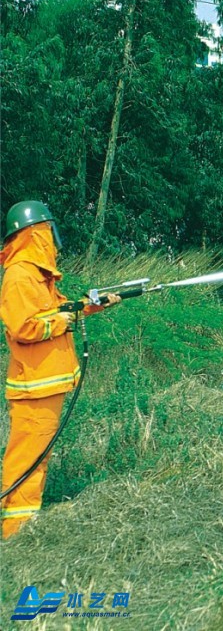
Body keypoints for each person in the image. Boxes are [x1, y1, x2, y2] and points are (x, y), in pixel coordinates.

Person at [0, 201, 120, 539]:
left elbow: (60, 309)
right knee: (27, 460)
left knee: (37, 456)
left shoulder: (38, 276)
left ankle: (24, 521)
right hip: (34, 387)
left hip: (45, 386)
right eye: (48, 232)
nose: (53, 240)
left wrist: (94, 304)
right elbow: (23, 327)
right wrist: (58, 323)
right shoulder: (20, 276)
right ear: (34, 234)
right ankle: (15, 531)